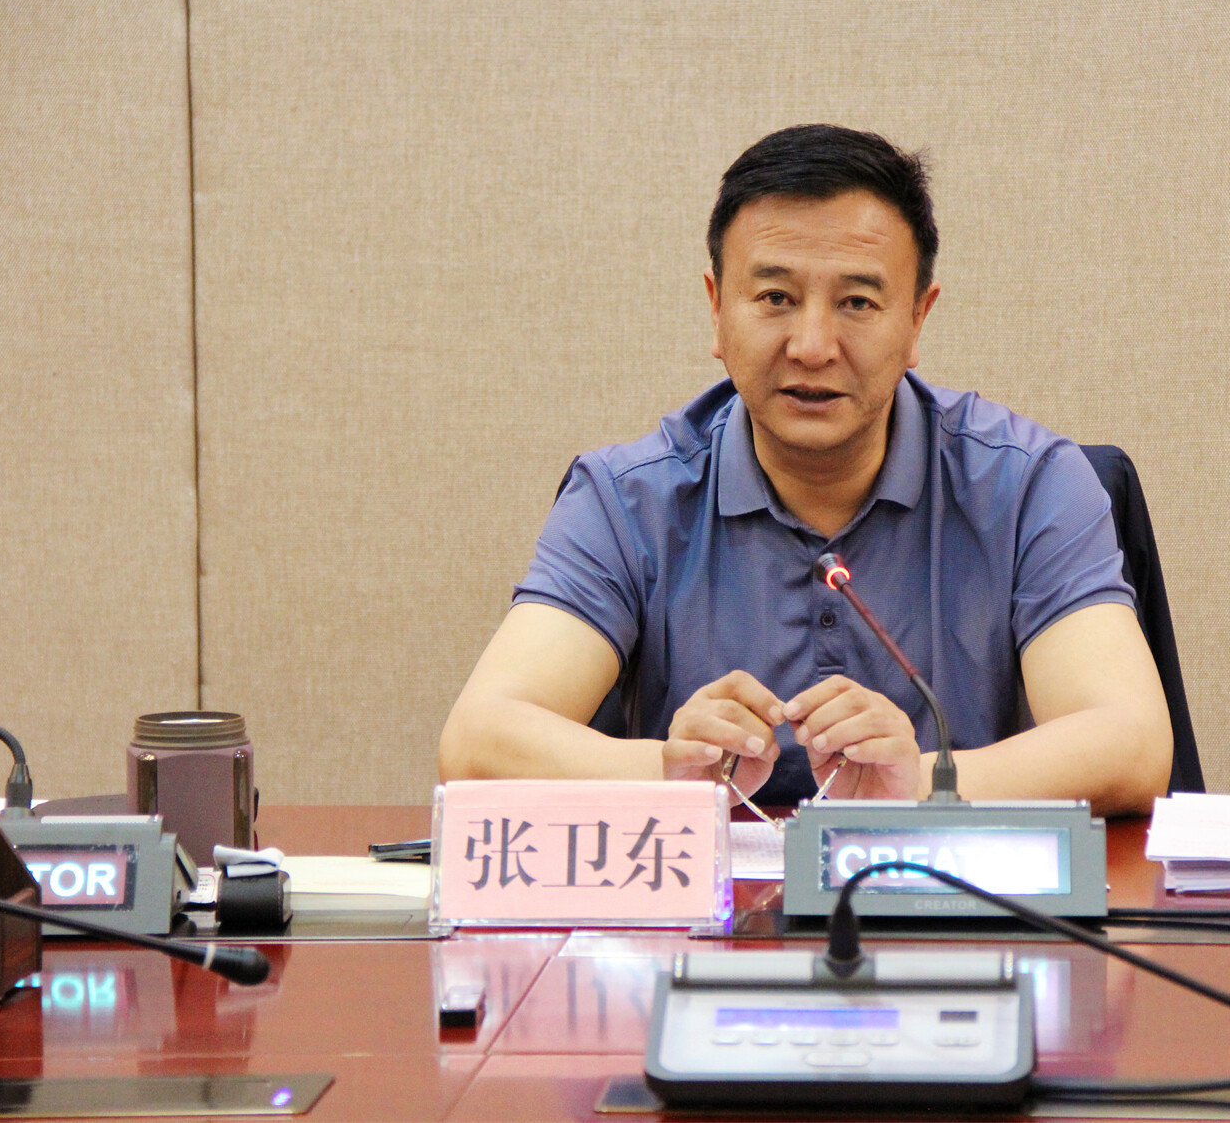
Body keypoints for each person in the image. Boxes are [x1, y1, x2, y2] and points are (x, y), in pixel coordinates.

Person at [439, 124, 1171, 816]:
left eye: (856, 302)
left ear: (917, 319)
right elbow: (476, 743)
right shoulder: (627, 500)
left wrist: (913, 785)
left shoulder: (1031, 484)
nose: (813, 345)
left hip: (951, 895)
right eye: (775, 298)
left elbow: (1132, 746)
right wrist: (669, 770)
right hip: (711, 903)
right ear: (717, 310)